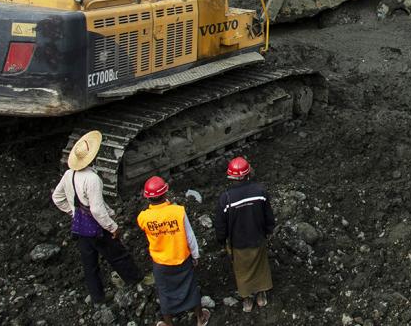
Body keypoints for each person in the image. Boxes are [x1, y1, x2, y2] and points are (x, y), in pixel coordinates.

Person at [52, 130, 142, 305]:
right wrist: (113, 227)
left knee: (89, 264)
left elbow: (57, 197)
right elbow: (97, 210)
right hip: (96, 227)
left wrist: (72, 212)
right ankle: (135, 280)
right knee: (117, 254)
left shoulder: (69, 174)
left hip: (80, 226)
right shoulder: (92, 179)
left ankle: (97, 297)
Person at [137, 176, 210, 326]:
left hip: (161, 263)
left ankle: (169, 324)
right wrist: (195, 255)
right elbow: (190, 236)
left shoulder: (143, 217)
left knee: (165, 293)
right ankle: (200, 317)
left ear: (147, 197)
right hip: (182, 259)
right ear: (165, 194)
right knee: (191, 288)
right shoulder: (178, 212)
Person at [215, 157, 275, 313]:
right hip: (257, 238)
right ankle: (261, 295)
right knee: (261, 267)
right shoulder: (260, 191)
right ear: (248, 174)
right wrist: (268, 231)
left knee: (242, 271)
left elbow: (221, 225)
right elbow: (269, 216)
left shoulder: (226, 198)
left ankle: (247, 300)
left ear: (231, 177)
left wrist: (222, 241)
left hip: (238, 243)